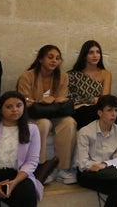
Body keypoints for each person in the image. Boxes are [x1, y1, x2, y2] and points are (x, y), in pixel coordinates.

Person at [15, 45, 78, 184]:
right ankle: (41, 167)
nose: (54, 61)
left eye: (57, 58)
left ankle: (62, 168)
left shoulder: (63, 76)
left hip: (55, 113)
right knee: (44, 123)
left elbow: (61, 100)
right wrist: (40, 101)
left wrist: (53, 100)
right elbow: (23, 100)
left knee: (69, 123)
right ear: (40, 59)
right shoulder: (27, 76)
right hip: (34, 115)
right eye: (50, 57)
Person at [66, 40, 112, 130]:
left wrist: (92, 102)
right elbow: (68, 98)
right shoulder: (72, 74)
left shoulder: (106, 74)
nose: (95, 55)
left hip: (97, 109)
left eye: (98, 52)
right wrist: (90, 99)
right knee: (88, 112)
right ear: (84, 55)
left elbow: (104, 99)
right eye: (91, 52)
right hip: (78, 110)